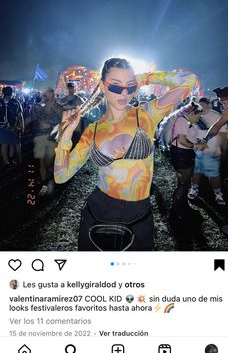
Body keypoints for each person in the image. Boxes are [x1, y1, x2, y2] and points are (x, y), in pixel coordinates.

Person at [54, 57, 198, 251]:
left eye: (130, 87)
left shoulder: (146, 114)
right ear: (103, 86)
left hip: (139, 215)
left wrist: (145, 77)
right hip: (98, 212)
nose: (124, 93)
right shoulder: (93, 130)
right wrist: (66, 135)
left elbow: (189, 80)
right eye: (115, 86)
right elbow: (61, 175)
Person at [203, 87, 228, 236]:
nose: (222, 104)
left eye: (223, 101)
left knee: (220, 178)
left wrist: (205, 140)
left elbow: (216, 127)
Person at [170, 103, 207, 219]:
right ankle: (176, 211)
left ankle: (183, 205)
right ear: (192, 113)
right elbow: (182, 140)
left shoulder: (187, 121)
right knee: (182, 183)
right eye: (197, 116)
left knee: (185, 182)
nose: (198, 118)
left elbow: (187, 137)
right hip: (181, 155)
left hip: (185, 154)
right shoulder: (182, 121)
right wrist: (196, 146)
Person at [188, 97, 226, 206]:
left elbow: (223, 133)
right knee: (196, 171)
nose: (201, 108)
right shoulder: (195, 115)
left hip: (212, 151)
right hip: (198, 151)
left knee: (213, 174)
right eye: (199, 106)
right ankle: (194, 189)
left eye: (203, 105)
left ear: (208, 105)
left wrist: (224, 148)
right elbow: (190, 131)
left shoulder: (216, 116)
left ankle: (218, 194)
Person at [31, 88, 62, 196]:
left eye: (47, 95)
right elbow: (35, 120)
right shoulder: (40, 107)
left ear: (52, 96)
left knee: (49, 162)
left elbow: (62, 124)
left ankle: (52, 177)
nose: (45, 97)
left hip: (52, 138)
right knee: (41, 162)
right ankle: (44, 184)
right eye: (44, 95)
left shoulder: (58, 108)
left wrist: (51, 127)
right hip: (40, 136)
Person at [0, 86, 24, 166]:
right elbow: (20, 116)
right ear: (12, 92)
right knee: (14, 143)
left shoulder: (0, 101)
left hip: (1, 127)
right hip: (13, 126)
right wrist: (22, 127)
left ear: (3, 92)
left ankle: (6, 162)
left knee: (4, 143)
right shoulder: (16, 102)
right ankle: (14, 159)